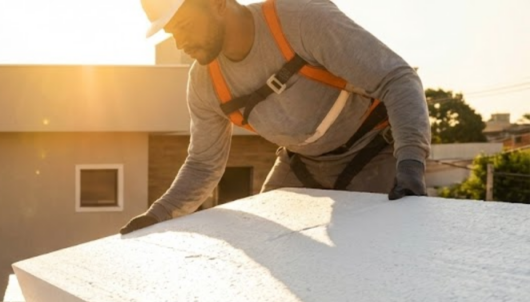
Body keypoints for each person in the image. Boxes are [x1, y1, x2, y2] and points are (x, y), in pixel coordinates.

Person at [122, 0, 431, 234]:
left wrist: (411, 163)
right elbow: (204, 164)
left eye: (184, 25)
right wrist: (158, 214)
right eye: (171, 32)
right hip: (300, 165)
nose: (179, 43)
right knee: (269, 247)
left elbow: (398, 79)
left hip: (372, 152)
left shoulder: (300, 20)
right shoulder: (205, 83)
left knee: (380, 255)